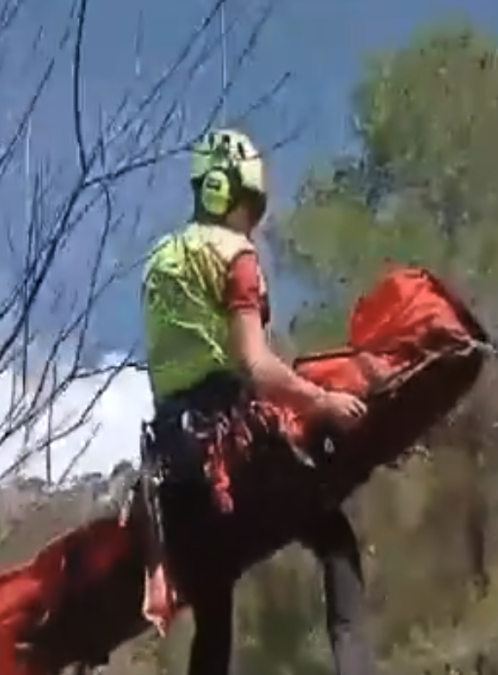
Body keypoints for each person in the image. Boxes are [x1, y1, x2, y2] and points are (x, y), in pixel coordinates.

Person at [139, 128, 377, 675]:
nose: (253, 221)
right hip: (226, 450)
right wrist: (322, 400)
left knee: (215, 612)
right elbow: (255, 363)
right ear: (229, 193)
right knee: (334, 538)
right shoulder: (235, 255)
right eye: (251, 206)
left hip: (171, 471)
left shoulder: (157, 262)